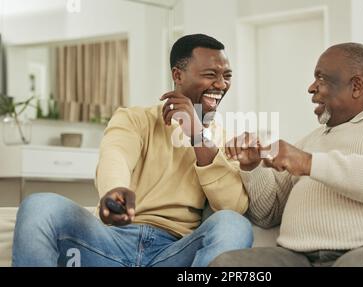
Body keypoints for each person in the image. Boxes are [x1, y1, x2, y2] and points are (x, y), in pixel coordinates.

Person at [12, 34, 253, 267]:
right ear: (177, 75)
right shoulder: (135, 119)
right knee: (39, 205)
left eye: (227, 76)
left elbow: (233, 207)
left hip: (174, 253)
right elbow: (115, 156)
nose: (221, 85)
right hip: (108, 243)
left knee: (234, 224)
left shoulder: (222, 140)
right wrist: (115, 191)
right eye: (211, 75)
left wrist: (197, 136)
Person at [210, 43, 363, 267]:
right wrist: (253, 168)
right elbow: (268, 214)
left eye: (321, 78)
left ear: (356, 86)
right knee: (229, 265)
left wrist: (307, 162)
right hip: (300, 258)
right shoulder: (311, 139)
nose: (311, 87)